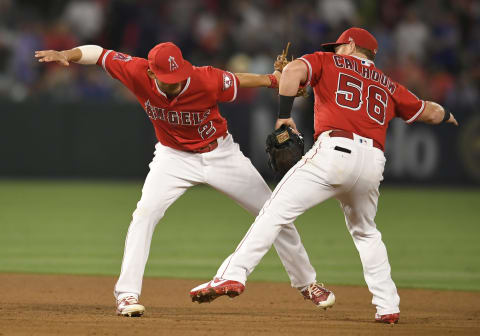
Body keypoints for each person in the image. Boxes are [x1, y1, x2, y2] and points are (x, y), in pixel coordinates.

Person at [190, 27, 458, 324]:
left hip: (334, 151)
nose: (335, 50)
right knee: (366, 232)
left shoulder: (326, 61)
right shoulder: (389, 84)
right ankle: (387, 306)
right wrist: (448, 115)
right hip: (372, 162)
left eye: (339, 46)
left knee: (274, 212)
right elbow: (430, 112)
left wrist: (284, 114)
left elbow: (291, 71)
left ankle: (232, 276)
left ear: (352, 45)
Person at [34, 42, 324, 317]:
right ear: (150, 72)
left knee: (273, 213)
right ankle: (127, 295)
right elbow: (99, 54)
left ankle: (307, 283)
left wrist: (274, 80)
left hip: (221, 154)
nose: (174, 81)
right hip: (173, 158)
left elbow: (237, 79)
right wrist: (67, 54)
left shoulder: (203, 78)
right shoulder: (136, 71)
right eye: (167, 78)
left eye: (177, 75)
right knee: (144, 215)